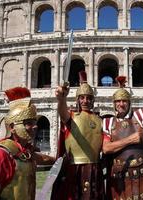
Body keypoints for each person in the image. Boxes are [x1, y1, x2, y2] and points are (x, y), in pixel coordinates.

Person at [0, 87, 55, 200]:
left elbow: (39, 158)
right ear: (12, 127)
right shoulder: (0, 154)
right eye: (28, 123)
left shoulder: (23, 150)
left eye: (35, 122)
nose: (35, 126)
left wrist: (59, 160)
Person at [51, 71, 105, 200]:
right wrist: (62, 99)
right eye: (82, 97)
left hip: (95, 167)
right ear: (77, 100)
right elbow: (62, 112)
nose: (85, 101)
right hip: (74, 168)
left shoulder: (100, 120)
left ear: (93, 100)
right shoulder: (71, 116)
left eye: (88, 98)